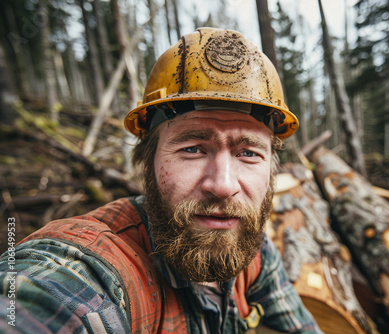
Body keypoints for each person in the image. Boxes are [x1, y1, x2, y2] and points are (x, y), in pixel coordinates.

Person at [0, 28, 321, 333]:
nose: (223, 185)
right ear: (146, 161)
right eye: (193, 148)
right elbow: (40, 299)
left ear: (271, 169)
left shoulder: (254, 251)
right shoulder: (97, 271)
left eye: (249, 153)